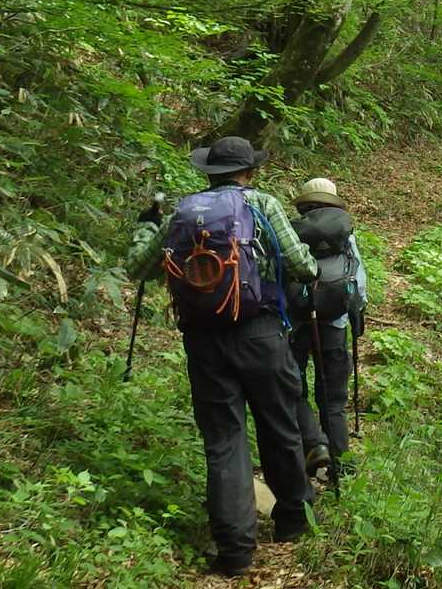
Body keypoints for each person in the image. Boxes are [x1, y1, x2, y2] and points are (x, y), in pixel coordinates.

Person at [126, 135, 318, 577]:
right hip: (261, 332)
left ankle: (234, 549)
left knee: (223, 438)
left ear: (208, 173)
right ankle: (293, 519)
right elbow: (302, 266)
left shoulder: (183, 211)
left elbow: (140, 269)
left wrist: (145, 228)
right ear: (250, 171)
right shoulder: (262, 204)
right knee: (279, 424)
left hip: (204, 340)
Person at [286, 177, 367, 484]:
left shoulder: (292, 232)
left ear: (303, 204)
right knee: (332, 400)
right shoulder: (345, 233)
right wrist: (355, 314)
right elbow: (358, 279)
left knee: (294, 390)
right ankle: (341, 467)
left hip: (297, 323)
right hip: (333, 324)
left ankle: (313, 445)